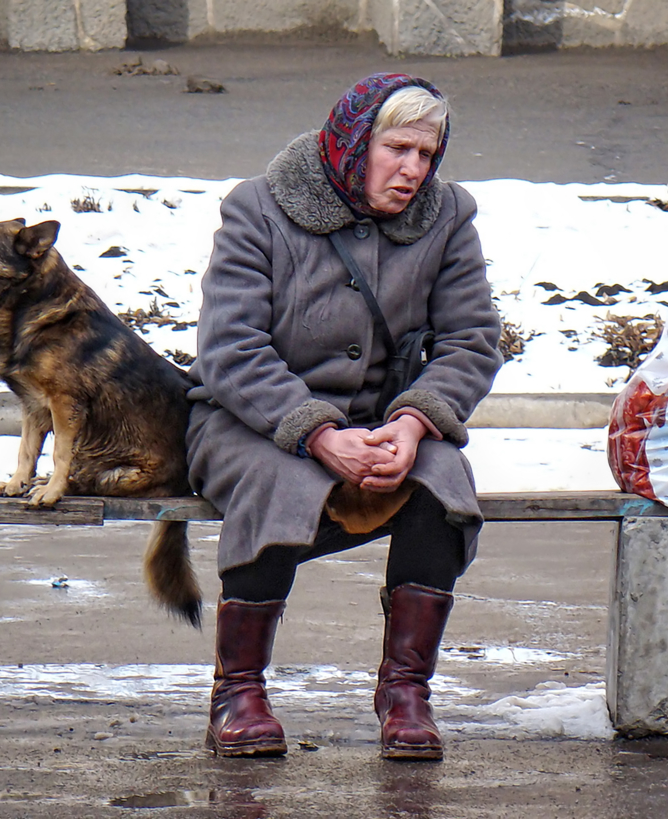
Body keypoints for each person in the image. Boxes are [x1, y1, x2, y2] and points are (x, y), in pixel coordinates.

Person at [185, 72, 503, 761]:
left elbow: (472, 340)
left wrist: (415, 422)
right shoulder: (259, 208)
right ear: (357, 143)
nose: (414, 169)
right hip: (253, 420)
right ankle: (237, 693)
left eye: (428, 154)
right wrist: (318, 431)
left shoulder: (448, 216)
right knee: (282, 478)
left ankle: (406, 693)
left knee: (444, 478)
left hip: (385, 422)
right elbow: (229, 349)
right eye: (398, 149)